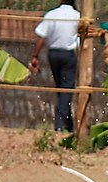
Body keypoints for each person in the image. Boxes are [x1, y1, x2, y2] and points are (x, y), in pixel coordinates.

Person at [30, 0, 80, 133]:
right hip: (68, 55)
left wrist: (35, 56)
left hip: (53, 54)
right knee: (67, 90)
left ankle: (68, 125)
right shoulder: (77, 16)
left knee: (61, 89)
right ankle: (59, 125)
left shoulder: (51, 14)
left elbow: (41, 36)